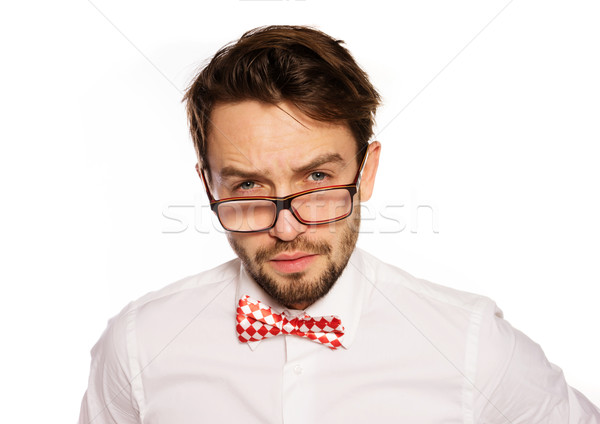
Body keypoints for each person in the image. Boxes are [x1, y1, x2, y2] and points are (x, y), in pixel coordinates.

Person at [78, 25, 600, 423]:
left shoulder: (473, 344)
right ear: (208, 185)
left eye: (318, 178)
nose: (286, 229)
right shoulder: (137, 345)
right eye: (248, 187)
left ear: (366, 172)